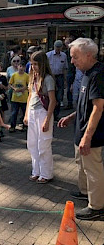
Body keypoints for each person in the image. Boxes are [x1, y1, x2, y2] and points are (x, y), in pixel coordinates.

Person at [58, 38, 104, 220]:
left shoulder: (98, 74)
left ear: (88, 55)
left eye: (75, 57)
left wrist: (87, 136)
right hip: (80, 130)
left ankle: (97, 206)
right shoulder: (86, 72)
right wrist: (72, 116)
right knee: (82, 166)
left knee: (93, 171)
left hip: (92, 135)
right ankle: (86, 193)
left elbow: (98, 107)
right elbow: (85, 103)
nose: (72, 61)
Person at [23, 51, 56, 184]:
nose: (33, 67)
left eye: (36, 64)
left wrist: (47, 120)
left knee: (44, 143)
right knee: (32, 143)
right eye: (32, 64)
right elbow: (30, 97)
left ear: (42, 64)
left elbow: (53, 101)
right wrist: (26, 114)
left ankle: (46, 173)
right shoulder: (33, 78)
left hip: (43, 112)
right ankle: (36, 171)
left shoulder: (48, 79)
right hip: (32, 112)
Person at [46, 40, 68, 121]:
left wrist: (65, 80)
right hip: (51, 76)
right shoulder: (48, 55)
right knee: (50, 95)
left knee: (59, 96)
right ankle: (49, 113)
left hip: (60, 77)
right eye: (57, 47)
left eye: (59, 47)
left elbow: (65, 68)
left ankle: (56, 114)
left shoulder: (64, 56)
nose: (58, 49)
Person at [8, 61, 29, 133]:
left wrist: (23, 89)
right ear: (17, 67)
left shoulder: (27, 76)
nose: (21, 68)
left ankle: (25, 125)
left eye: (23, 66)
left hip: (24, 97)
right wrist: (14, 88)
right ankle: (12, 126)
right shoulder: (14, 75)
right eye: (20, 66)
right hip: (15, 97)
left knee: (24, 112)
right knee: (14, 112)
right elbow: (10, 83)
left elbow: (29, 85)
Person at [64, 37, 76, 109]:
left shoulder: (71, 52)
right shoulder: (66, 52)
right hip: (69, 71)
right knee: (68, 88)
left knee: (70, 88)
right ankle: (70, 103)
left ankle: (70, 103)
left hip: (72, 71)